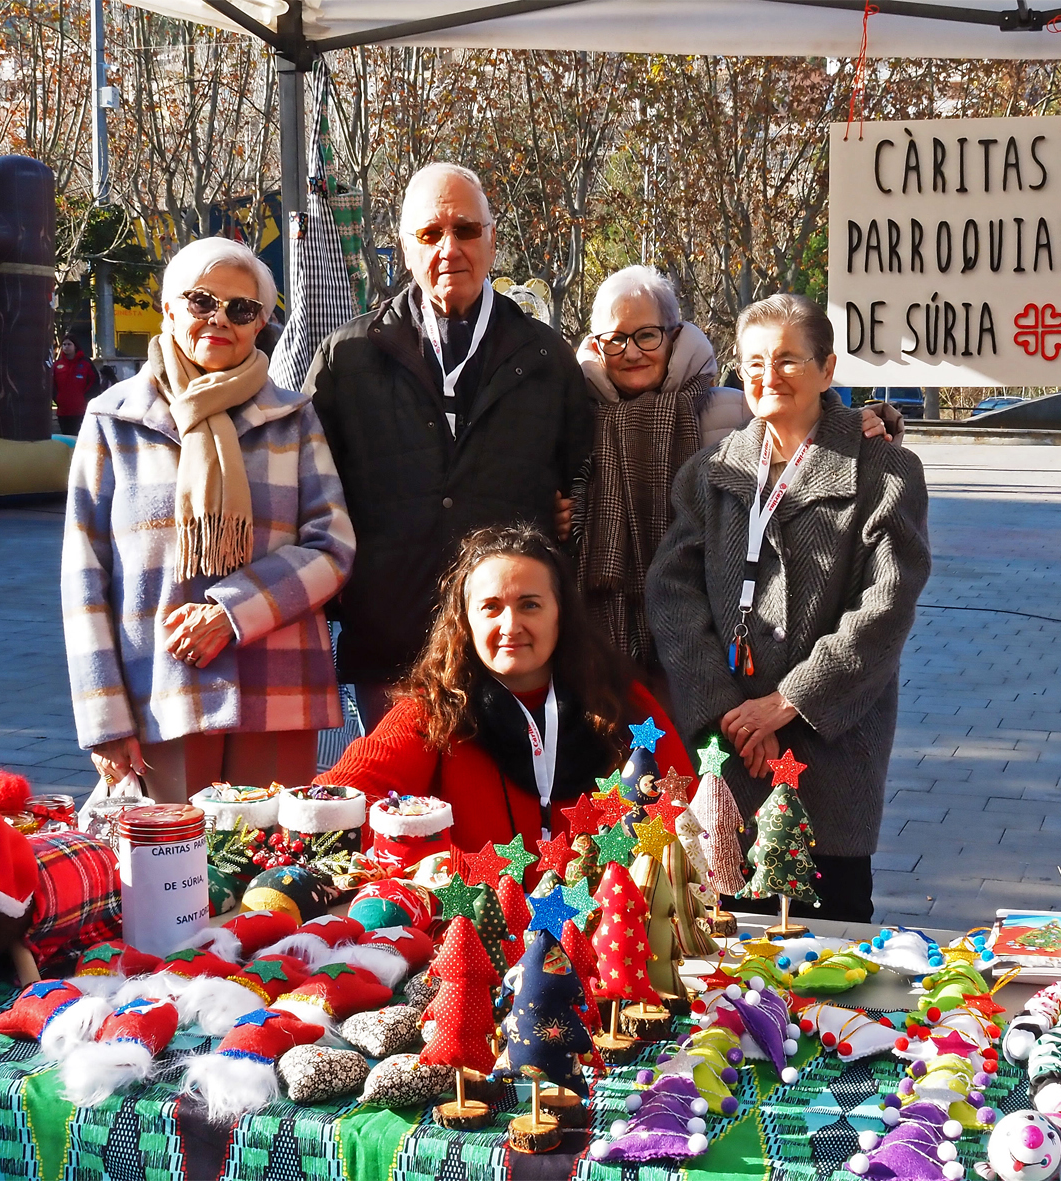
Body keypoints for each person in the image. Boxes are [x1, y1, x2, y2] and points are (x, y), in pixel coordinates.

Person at [646, 293, 931, 922]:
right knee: (727, 949)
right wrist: (733, 717)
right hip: (730, 755)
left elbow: (885, 607)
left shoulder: (885, 473)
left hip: (830, 752)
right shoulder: (709, 474)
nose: (767, 376)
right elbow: (672, 596)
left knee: (831, 949)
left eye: (786, 360)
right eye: (753, 363)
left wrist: (787, 704)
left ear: (827, 370)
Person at [63, 237, 355, 802]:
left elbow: (333, 546)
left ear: (260, 324)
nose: (219, 319)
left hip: (277, 691)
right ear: (169, 308)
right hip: (161, 690)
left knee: (274, 854)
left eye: (240, 309)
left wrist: (230, 612)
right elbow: (84, 579)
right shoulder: (114, 420)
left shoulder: (292, 417)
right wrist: (103, 718)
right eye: (201, 301)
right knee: (173, 855)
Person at [307, 163, 594, 731]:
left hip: (511, 649)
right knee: (395, 790)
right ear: (405, 246)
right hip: (392, 650)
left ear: (491, 239)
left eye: (465, 229)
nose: (449, 248)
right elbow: (314, 497)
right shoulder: (347, 359)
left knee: (502, 792)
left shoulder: (547, 358)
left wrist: (574, 518)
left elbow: (585, 483)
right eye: (430, 233)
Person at [572, 265, 903, 691]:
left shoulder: (739, 408)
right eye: (616, 339)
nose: (631, 352)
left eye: (647, 335)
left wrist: (861, 424)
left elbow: (807, 426)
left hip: (726, 633)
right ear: (597, 346)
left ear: (674, 335)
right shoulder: (577, 419)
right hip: (609, 630)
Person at [318, 524, 692, 851]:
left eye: (530, 605)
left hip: (607, 909)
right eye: (491, 607)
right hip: (475, 909)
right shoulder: (433, 708)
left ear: (561, 614)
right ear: (465, 621)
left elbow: (686, 819)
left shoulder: (622, 702)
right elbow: (336, 804)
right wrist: (449, 869)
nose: (511, 626)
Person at [52, 334, 100, 435]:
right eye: (64, 344)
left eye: (69, 344)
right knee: (66, 437)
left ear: (75, 346)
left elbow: (94, 382)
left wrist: (86, 399)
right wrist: (57, 398)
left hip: (81, 411)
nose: (66, 347)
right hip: (63, 412)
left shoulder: (86, 363)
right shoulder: (57, 365)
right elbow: (52, 385)